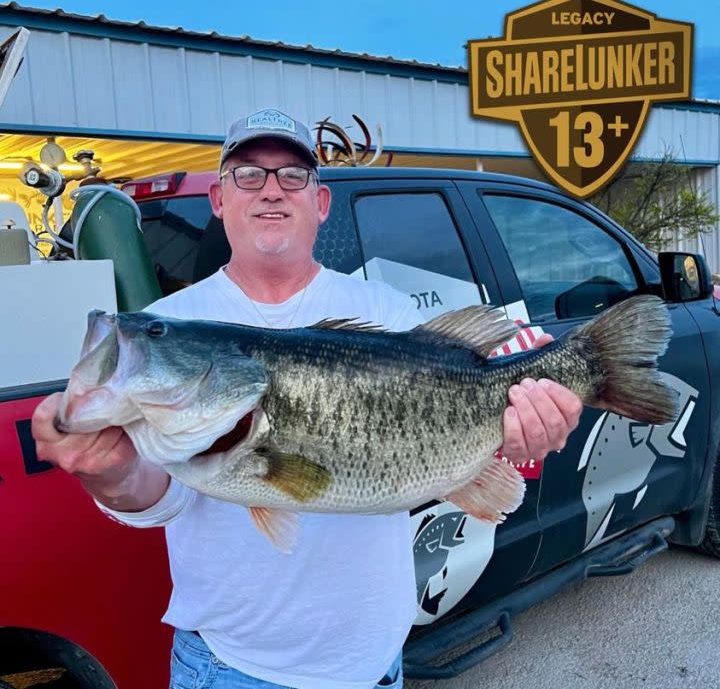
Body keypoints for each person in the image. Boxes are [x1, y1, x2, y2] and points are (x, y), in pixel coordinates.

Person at [32, 108, 583, 689]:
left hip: (375, 663)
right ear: (219, 200)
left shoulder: (388, 313)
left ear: (320, 203)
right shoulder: (169, 319)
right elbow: (157, 497)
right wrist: (111, 473)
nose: (271, 191)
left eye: (292, 175)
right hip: (230, 668)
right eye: (249, 174)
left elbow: (463, 442)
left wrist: (529, 428)